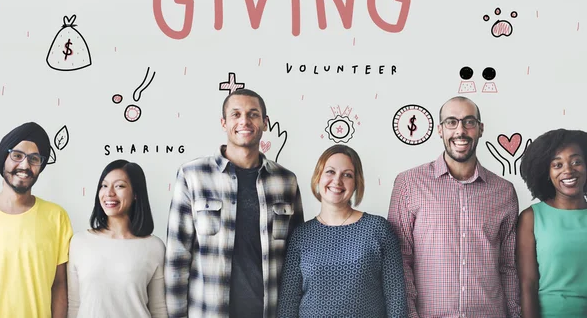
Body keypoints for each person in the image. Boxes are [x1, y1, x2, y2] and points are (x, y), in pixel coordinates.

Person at [165, 88, 304, 318]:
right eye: (236, 114)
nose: (244, 121)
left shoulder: (285, 181)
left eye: (253, 114)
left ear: (265, 122)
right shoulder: (193, 175)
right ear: (223, 123)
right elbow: (177, 257)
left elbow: (297, 257)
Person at [388, 96, 521, 318]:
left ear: (480, 129)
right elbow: (400, 260)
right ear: (440, 130)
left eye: (469, 122)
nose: (460, 130)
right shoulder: (409, 183)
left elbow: (508, 266)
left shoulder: (504, 191)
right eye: (451, 122)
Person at [278, 145, 407, 318]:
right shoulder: (301, 235)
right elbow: (288, 302)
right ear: (318, 177)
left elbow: (395, 297)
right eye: (330, 172)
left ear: (356, 184)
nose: (337, 181)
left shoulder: (378, 229)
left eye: (347, 175)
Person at [0, 121, 73, 318]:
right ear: (3, 159)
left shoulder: (57, 216)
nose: (25, 165)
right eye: (17, 155)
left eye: (34, 159)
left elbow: (59, 286)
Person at [67, 159, 167, 317]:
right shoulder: (79, 243)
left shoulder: (154, 246)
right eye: (104, 185)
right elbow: (74, 305)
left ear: (135, 194)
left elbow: (159, 310)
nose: (109, 193)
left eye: (119, 186)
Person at [517, 129, 587, 318]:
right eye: (557, 164)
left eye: (576, 162)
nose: (568, 170)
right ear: (547, 172)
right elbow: (527, 284)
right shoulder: (531, 217)